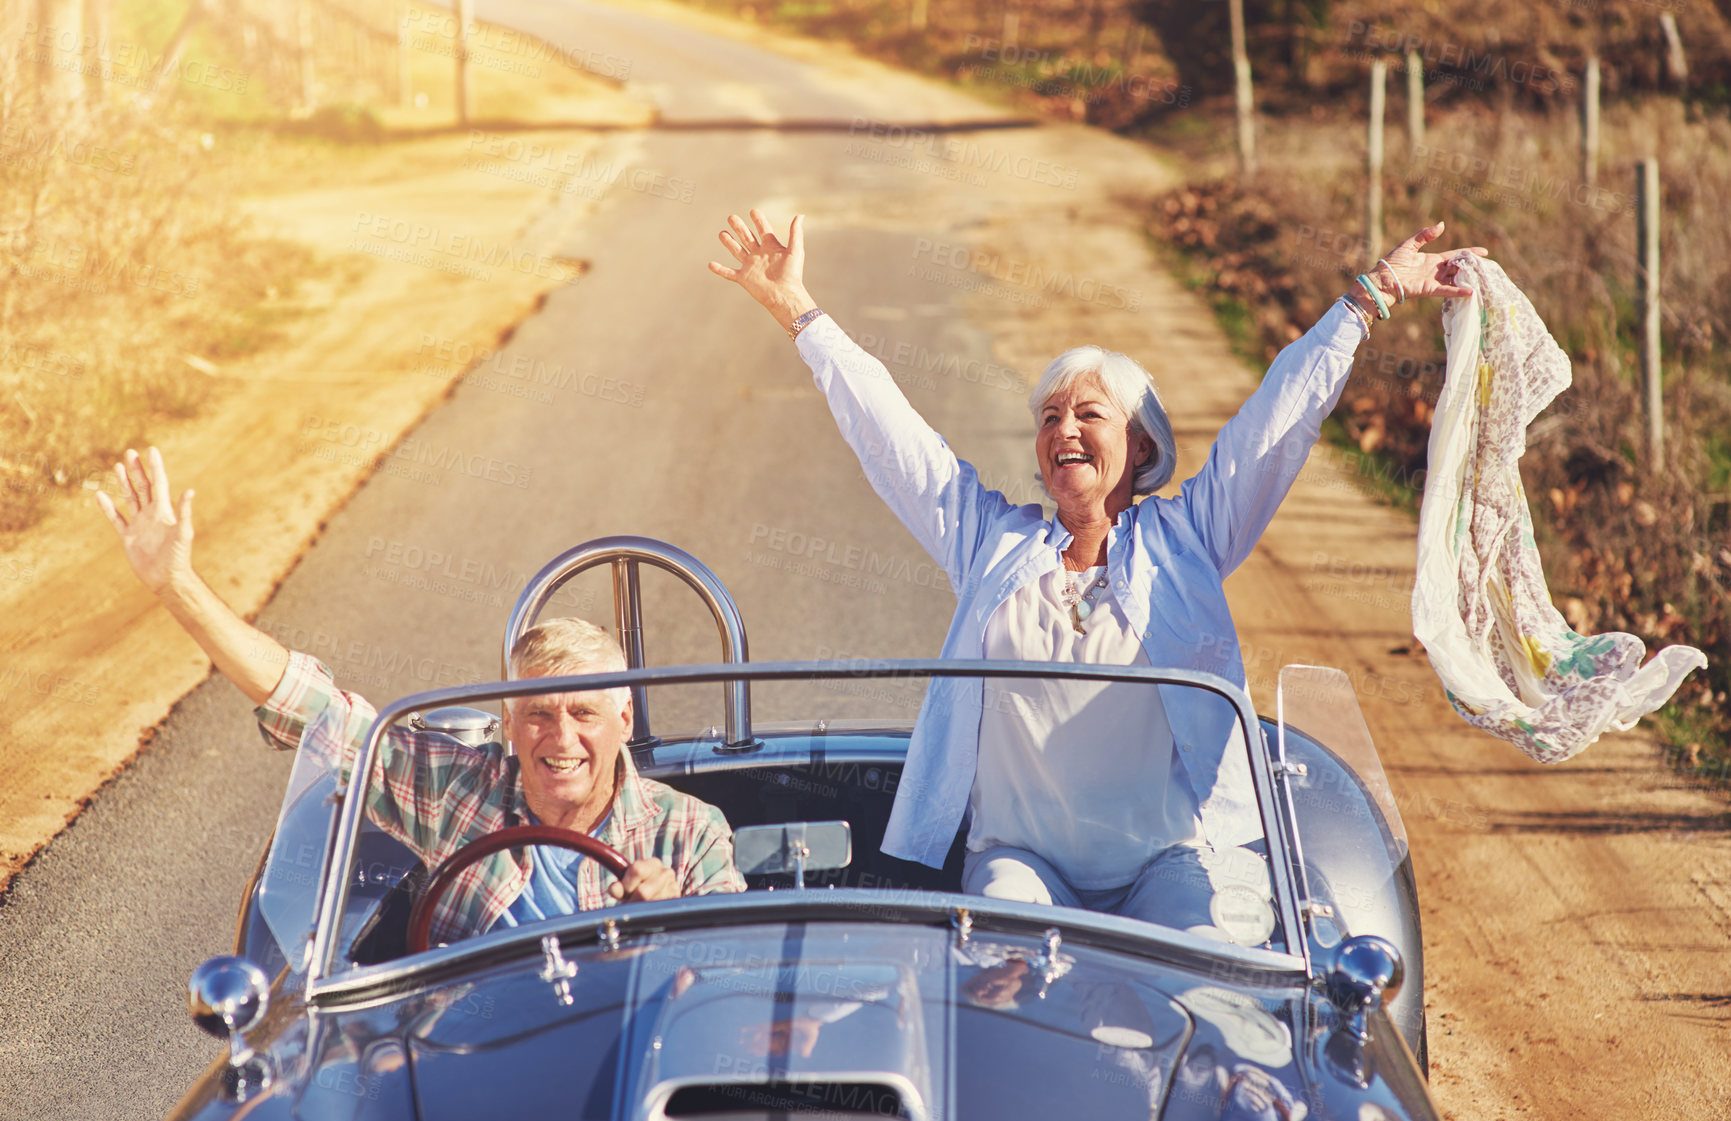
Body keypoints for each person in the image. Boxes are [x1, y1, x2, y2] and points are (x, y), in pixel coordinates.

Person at [710, 209, 1483, 941]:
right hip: (1019, 861)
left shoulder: (1188, 539)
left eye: (1088, 414)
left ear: (1140, 446)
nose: (1063, 429)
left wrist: (1367, 298)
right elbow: (894, 440)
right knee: (1002, 971)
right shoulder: (990, 541)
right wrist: (801, 314)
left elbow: (1271, 427)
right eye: (1049, 417)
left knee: (1203, 974)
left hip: (1163, 863)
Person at [97, 447, 745, 945]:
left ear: (623, 716)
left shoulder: (689, 831)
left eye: (583, 712)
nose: (562, 737)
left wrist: (673, 920)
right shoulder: (459, 791)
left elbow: (741, 974)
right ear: (508, 724)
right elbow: (309, 709)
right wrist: (175, 584)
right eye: (539, 714)